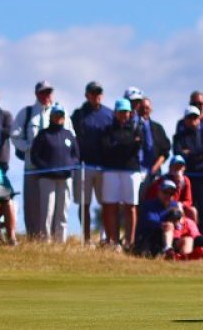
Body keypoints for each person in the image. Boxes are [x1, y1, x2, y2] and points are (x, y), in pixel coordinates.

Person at [98, 99, 147, 248]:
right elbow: (106, 147)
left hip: (131, 170)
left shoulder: (136, 128)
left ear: (130, 113)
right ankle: (113, 241)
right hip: (111, 170)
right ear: (115, 112)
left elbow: (137, 145)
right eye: (120, 111)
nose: (123, 115)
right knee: (111, 205)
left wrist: (119, 144)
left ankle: (129, 242)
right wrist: (127, 143)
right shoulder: (107, 129)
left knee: (130, 206)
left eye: (125, 112)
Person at [27, 106, 77, 242]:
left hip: (65, 178)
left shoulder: (69, 135)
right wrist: (47, 168)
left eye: (61, 115)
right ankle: (45, 239)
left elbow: (76, 155)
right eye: (56, 115)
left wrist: (70, 167)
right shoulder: (43, 135)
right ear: (51, 117)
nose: (58, 118)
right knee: (47, 210)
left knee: (63, 211)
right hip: (47, 178)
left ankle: (61, 240)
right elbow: (35, 155)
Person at [70, 81, 111, 243]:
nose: (97, 96)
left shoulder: (109, 114)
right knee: (84, 203)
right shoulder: (79, 114)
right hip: (83, 166)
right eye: (93, 93)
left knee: (106, 203)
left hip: (104, 167)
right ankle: (86, 239)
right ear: (87, 95)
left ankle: (105, 237)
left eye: (99, 93)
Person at [173, 105, 203, 234]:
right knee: (188, 208)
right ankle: (189, 235)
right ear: (185, 120)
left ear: (199, 119)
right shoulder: (179, 137)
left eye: (195, 117)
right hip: (189, 177)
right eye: (190, 117)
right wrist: (198, 154)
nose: (193, 120)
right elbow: (178, 153)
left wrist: (190, 153)